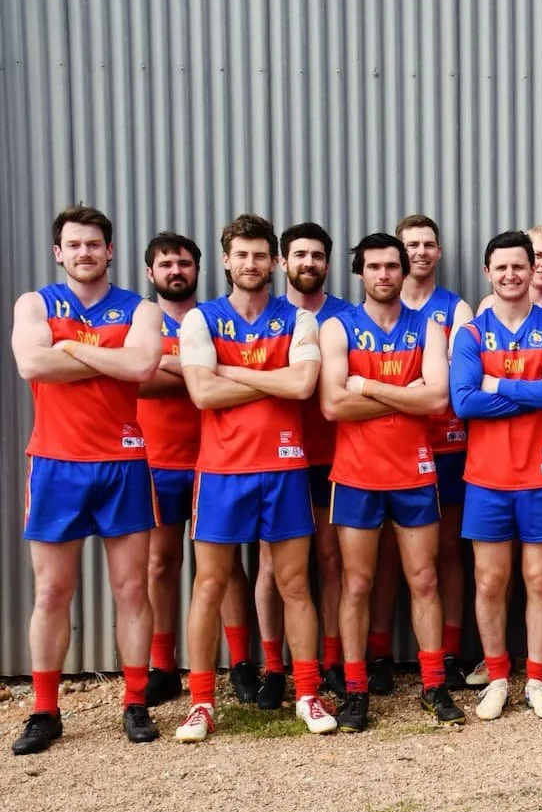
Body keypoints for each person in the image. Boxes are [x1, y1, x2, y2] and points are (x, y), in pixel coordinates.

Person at [173, 214, 336, 742]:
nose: (251, 263)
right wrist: (272, 379)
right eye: (241, 255)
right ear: (226, 261)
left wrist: (230, 371)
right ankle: (201, 703)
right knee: (209, 585)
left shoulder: (300, 319)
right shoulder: (200, 319)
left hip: (284, 468)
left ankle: (307, 694)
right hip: (222, 472)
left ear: (275, 262)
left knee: (295, 585)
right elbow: (202, 394)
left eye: (260, 255)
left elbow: (303, 385)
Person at [11, 206, 163, 754]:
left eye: (94, 244)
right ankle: (44, 711)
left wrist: (71, 347)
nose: (84, 253)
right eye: (74, 245)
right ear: (59, 252)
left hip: (123, 462)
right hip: (56, 463)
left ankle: (135, 702)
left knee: (131, 589)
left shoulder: (141, 308)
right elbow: (32, 365)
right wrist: (110, 356)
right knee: (52, 591)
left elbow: (143, 367)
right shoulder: (35, 303)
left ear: (110, 251)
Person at [320, 233, 466, 732]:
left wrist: (367, 387)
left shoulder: (428, 327)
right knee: (357, 582)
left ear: (404, 271)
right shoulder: (338, 327)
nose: (383, 275)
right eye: (374, 267)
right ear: (360, 273)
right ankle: (356, 689)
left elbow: (438, 400)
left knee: (424, 579)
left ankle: (434, 685)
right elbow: (333, 404)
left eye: (391, 266)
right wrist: (405, 393)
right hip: (356, 474)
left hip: (414, 472)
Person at [453, 231, 542, 720]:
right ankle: (497, 679)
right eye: (501, 267)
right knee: (490, 582)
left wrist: (498, 385)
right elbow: (465, 402)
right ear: (488, 273)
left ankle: (536, 680)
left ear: (532, 271)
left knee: (540, 580)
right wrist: (532, 391)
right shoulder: (470, 334)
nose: (510, 275)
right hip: (487, 478)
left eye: (518, 266)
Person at [137, 232, 255, 708]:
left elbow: (222, 375)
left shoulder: (213, 320)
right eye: (166, 264)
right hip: (158, 461)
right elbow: (137, 379)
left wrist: (172, 365)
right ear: (150, 272)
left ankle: (242, 663)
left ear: (199, 269)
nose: (176, 271)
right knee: (160, 563)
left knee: (226, 567)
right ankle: (163, 667)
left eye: (184, 263)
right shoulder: (142, 322)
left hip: (218, 460)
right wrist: (193, 369)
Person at [252, 223, 354, 708]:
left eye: (316, 255)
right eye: (299, 255)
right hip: (273, 458)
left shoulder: (346, 318)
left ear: (327, 264)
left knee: (332, 560)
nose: (308, 262)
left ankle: (331, 661)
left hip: (333, 456)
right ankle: (275, 668)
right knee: (271, 566)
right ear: (281, 262)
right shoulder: (266, 316)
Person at [369, 215, 472, 694]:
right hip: (387, 445)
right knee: (386, 553)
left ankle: (447, 652)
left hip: (446, 444)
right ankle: (379, 652)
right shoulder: (375, 311)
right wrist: (413, 385)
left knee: (446, 550)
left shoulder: (456, 308)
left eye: (429, 244)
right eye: (411, 245)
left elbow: (451, 378)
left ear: (440, 251)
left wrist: (398, 384)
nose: (421, 252)